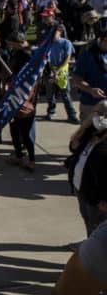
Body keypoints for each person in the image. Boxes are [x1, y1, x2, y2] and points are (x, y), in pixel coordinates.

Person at [67, 100, 107, 236]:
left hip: (98, 199)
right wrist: (87, 123)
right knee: (89, 223)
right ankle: (89, 243)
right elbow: (73, 146)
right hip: (82, 189)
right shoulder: (92, 131)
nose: (100, 117)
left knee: (98, 230)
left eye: (103, 114)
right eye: (98, 113)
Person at [4, 31, 37, 172]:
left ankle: (31, 160)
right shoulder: (17, 53)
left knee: (26, 131)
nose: (10, 46)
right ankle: (18, 155)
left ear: (17, 42)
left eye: (11, 43)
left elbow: (28, 77)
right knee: (14, 129)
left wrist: (14, 81)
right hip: (13, 97)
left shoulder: (28, 55)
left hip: (24, 98)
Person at [46, 24, 80, 123]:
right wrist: (52, 72)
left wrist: (57, 71)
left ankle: (72, 115)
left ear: (60, 31)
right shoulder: (49, 44)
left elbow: (67, 59)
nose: (52, 34)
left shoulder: (66, 43)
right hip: (51, 71)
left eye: (55, 31)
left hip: (62, 72)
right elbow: (47, 58)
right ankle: (51, 111)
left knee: (65, 95)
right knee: (50, 94)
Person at [72, 28, 107, 121]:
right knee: (89, 134)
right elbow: (76, 78)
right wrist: (90, 90)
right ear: (104, 39)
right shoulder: (87, 55)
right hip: (92, 106)